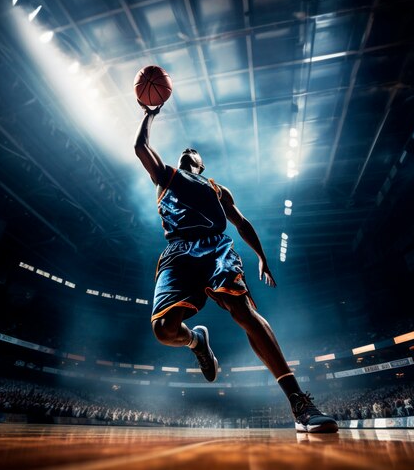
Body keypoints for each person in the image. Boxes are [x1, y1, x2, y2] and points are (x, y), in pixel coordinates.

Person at [133, 101, 338, 433]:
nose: (188, 152)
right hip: (178, 253)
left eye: (194, 152)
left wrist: (262, 257)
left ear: (201, 164)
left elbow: (242, 224)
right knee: (163, 330)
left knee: (242, 310)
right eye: (185, 151)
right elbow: (140, 146)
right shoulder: (166, 176)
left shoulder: (217, 189)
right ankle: (196, 342)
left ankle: (299, 402)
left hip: (215, 247)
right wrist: (149, 114)